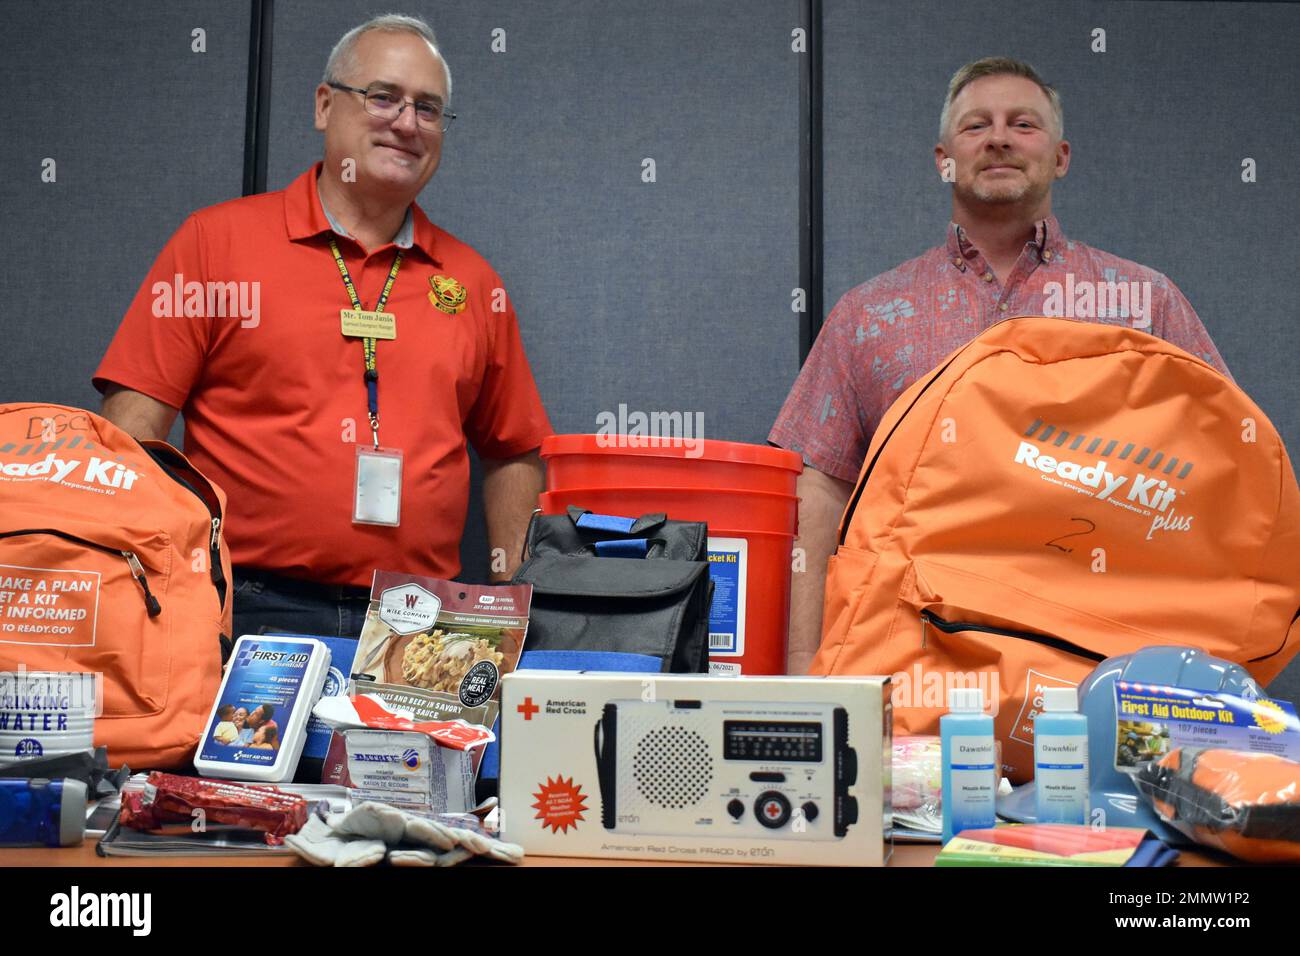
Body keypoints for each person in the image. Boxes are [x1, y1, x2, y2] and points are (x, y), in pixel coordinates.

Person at [92, 15, 551, 640]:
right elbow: (131, 437)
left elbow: (514, 449)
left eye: (429, 108)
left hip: (418, 622)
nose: (407, 122)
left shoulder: (472, 282)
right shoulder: (215, 245)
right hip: (244, 604)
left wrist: (512, 606)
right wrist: (144, 595)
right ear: (324, 105)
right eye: (384, 96)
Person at [771, 57, 1231, 675]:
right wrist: (805, 670)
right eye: (976, 126)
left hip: (1102, 659)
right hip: (909, 656)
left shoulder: (1142, 303)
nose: (998, 138)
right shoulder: (870, 314)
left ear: (1061, 156)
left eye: (1023, 124)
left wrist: (1204, 673)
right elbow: (819, 487)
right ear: (944, 158)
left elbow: (1225, 467)